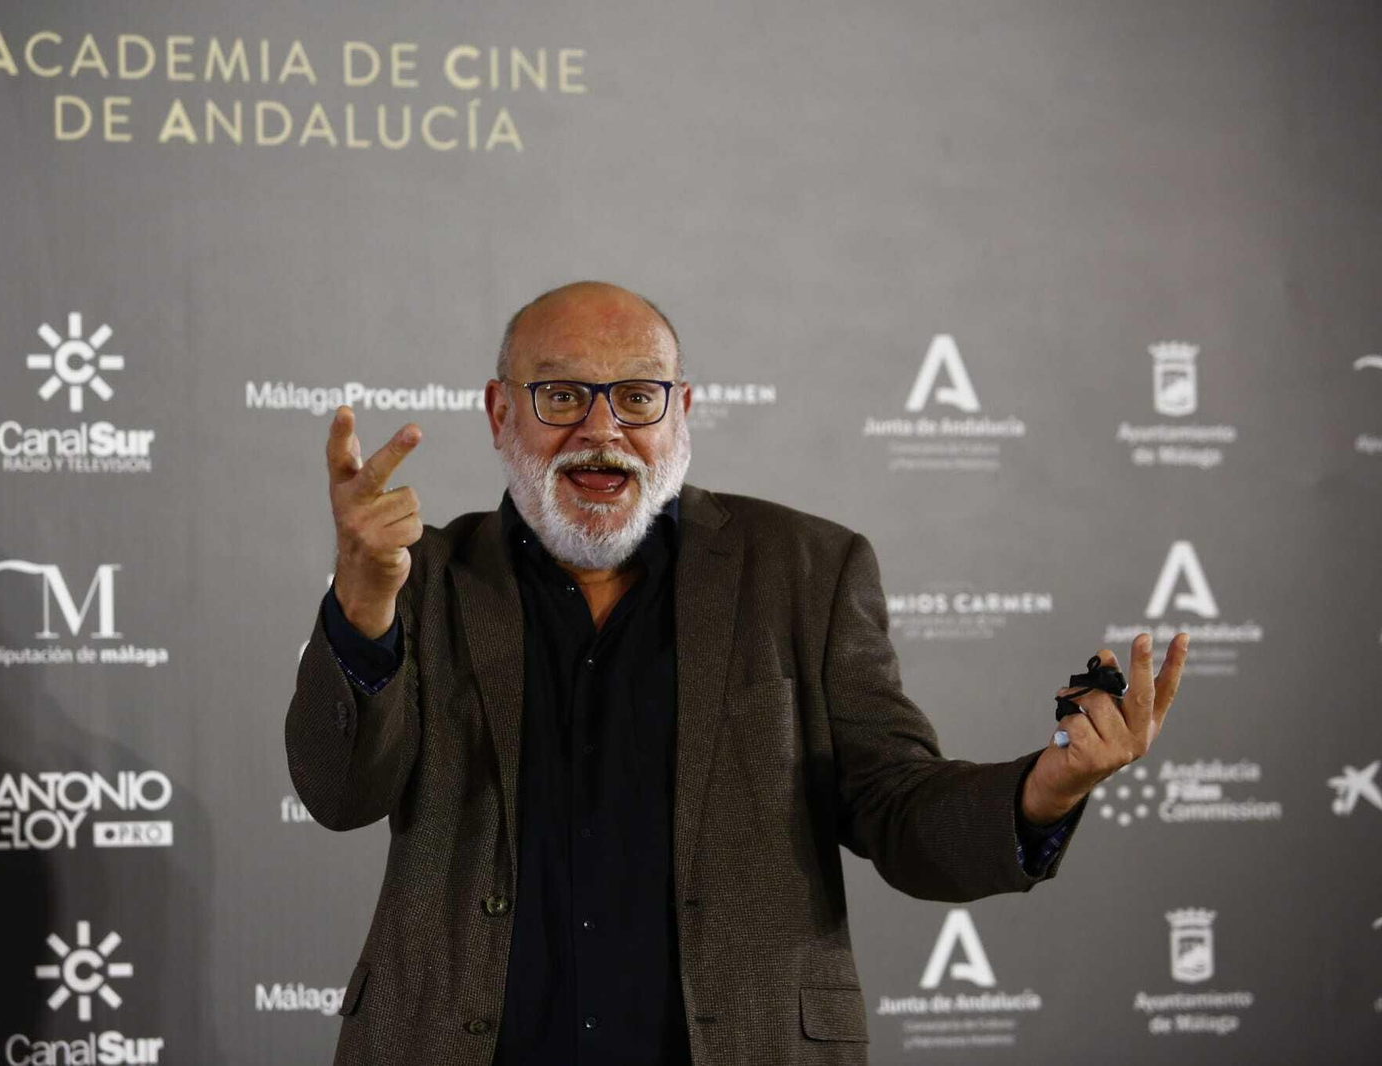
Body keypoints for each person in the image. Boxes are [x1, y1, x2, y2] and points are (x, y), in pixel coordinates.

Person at [285, 280, 1189, 1066]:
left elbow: (894, 805)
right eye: (561, 394)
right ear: (499, 413)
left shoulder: (806, 568)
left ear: (682, 410)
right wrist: (363, 605)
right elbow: (338, 793)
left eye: (637, 396)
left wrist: (1044, 790)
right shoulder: (421, 576)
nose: (600, 431)